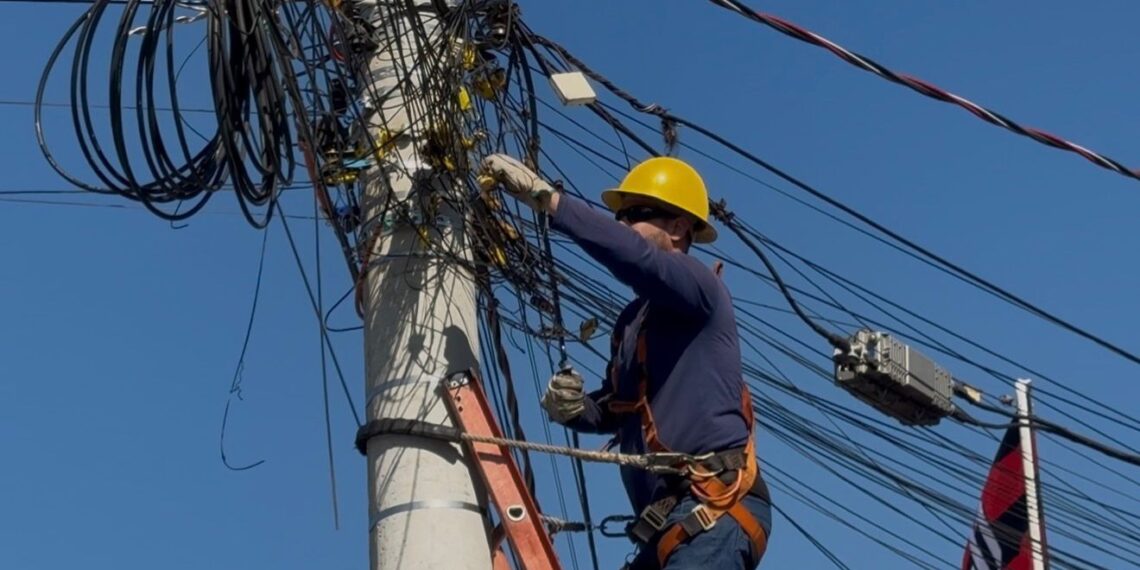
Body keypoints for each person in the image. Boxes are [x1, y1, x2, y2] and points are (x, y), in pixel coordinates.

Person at [481, 154, 772, 569]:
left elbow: (638, 258)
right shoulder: (634, 321)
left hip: (715, 503)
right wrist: (575, 409)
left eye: (635, 214)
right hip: (668, 519)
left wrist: (550, 200)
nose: (622, 225)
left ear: (678, 228)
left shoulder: (701, 288)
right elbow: (616, 408)